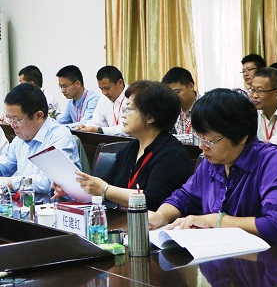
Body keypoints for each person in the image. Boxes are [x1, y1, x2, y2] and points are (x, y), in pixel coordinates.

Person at [148, 89, 277, 259]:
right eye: (199, 137)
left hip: (269, 263)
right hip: (220, 259)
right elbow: (185, 197)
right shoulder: (212, 162)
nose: (202, 146)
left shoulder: (273, 162)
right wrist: (161, 216)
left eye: (209, 140)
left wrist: (214, 221)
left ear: (242, 136)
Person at [54, 81, 191, 210]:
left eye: (129, 109)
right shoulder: (131, 148)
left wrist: (105, 190)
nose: (123, 116)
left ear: (150, 117)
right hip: (124, 221)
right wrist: (74, 189)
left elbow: (153, 199)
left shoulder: (172, 154)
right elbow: (103, 184)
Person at [0, 83, 79, 194]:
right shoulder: (20, 139)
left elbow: (48, 182)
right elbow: (2, 164)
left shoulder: (60, 137)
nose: (12, 125)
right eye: (9, 119)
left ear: (39, 116)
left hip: (57, 203)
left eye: (17, 120)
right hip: (27, 201)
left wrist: (1, 182)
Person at [75, 65, 129, 136]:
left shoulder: (133, 97)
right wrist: (85, 127)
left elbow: (129, 129)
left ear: (120, 83)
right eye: (101, 89)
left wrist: (100, 130)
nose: (104, 93)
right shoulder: (103, 100)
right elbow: (96, 122)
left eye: (107, 88)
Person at [161, 67, 200, 144]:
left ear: (191, 86)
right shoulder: (173, 108)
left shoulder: (206, 106)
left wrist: (170, 139)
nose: (173, 97)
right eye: (170, 93)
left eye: (177, 92)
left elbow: (201, 139)